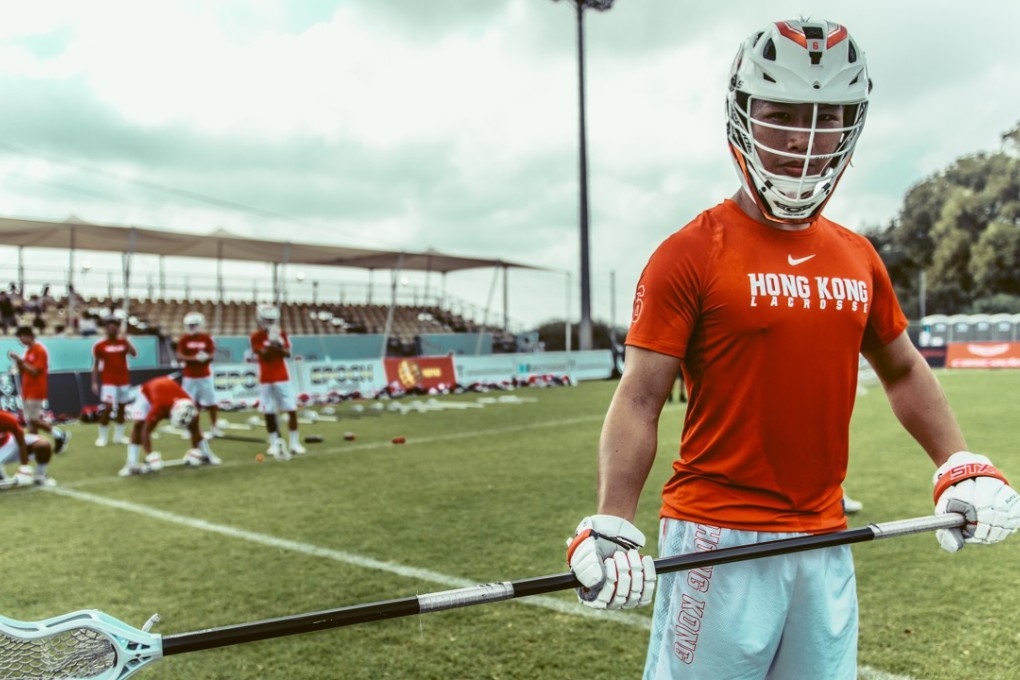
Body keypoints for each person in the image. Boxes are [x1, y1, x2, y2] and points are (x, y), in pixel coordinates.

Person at [564, 19, 1020, 679]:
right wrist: (611, 520)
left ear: (851, 126)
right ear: (743, 115)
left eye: (826, 117)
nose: (804, 140)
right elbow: (638, 397)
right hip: (715, 540)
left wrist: (960, 462)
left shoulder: (859, 257)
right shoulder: (688, 254)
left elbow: (903, 370)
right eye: (782, 115)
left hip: (826, 536)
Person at [121, 375, 220, 477]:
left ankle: (208, 455)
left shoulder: (190, 407)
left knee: (194, 426)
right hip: (146, 393)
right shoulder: (159, 407)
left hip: (167, 389)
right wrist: (150, 455)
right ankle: (131, 463)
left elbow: (195, 429)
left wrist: (195, 450)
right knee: (139, 425)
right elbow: (146, 431)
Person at [249, 304, 305, 460]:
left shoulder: (282, 334)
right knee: (269, 411)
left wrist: (278, 343)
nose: (270, 322)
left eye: (272, 319)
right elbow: (263, 354)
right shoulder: (256, 337)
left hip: (282, 377)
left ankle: (294, 442)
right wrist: (271, 342)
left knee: (291, 409)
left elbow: (287, 354)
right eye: (267, 319)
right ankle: (273, 443)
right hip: (266, 379)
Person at [7, 326, 69, 453]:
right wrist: (18, 363)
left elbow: (35, 372)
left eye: (21, 337)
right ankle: (33, 446)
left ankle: (59, 435)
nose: (20, 340)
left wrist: (20, 360)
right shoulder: (29, 351)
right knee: (30, 421)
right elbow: (23, 370)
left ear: (29, 336)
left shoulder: (40, 350)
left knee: (33, 419)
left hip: (36, 389)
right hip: (27, 389)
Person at [91, 317, 137, 446]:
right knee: (108, 407)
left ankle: (119, 436)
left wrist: (127, 340)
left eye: (115, 326)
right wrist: (94, 382)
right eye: (109, 326)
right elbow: (95, 365)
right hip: (108, 381)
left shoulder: (123, 342)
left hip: (124, 380)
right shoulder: (100, 346)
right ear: (106, 329)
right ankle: (102, 437)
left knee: (122, 408)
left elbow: (134, 354)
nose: (112, 329)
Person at [175, 311, 222, 437]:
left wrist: (205, 357)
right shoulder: (184, 339)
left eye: (194, 324)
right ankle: (189, 429)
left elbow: (212, 355)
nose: (192, 327)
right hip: (189, 377)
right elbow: (179, 356)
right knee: (189, 404)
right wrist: (195, 358)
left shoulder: (206, 338)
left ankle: (215, 427)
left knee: (211, 402)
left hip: (205, 376)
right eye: (190, 325)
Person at [0, 410, 56, 488]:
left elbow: (21, 442)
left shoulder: (6, 418)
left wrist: (24, 468)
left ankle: (41, 475)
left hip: (7, 443)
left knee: (43, 445)